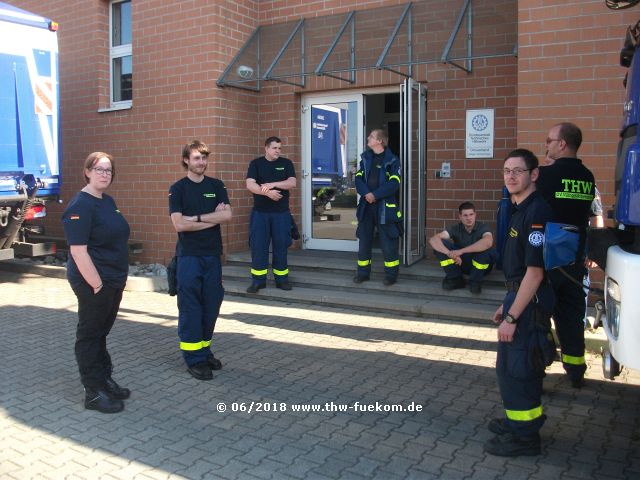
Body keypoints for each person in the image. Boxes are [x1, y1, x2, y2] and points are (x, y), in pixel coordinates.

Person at [484, 149, 554, 457]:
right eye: (506, 171)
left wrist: (512, 317)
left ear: (533, 175)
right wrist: (507, 303)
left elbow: (535, 273)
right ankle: (518, 423)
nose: (511, 176)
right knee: (510, 368)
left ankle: (525, 438)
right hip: (518, 294)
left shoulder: (536, 212)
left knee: (519, 369)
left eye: (518, 171)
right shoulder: (519, 209)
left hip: (530, 300)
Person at [62, 152, 131, 414]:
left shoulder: (107, 200)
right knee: (90, 334)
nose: (105, 174)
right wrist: (97, 285)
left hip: (112, 278)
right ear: (88, 171)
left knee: (101, 332)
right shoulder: (80, 205)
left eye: (109, 170)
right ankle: (92, 392)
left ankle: (104, 380)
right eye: (100, 169)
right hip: (94, 281)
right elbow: (78, 251)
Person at [537, 122, 596, 388]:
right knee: (571, 317)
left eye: (550, 140)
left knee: (538, 313)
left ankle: (540, 361)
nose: (546, 145)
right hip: (575, 259)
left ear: (562, 144)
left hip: (548, 259)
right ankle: (575, 370)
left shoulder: (545, 176)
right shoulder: (587, 176)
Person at [169, 140, 232, 381]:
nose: (201, 162)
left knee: (211, 303)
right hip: (189, 258)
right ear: (186, 160)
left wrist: (195, 218)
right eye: (196, 158)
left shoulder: (216, 185)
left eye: (204, 158)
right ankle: (193, 359)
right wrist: (212, 218)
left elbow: (227, 215)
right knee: (191, 306)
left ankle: (204, 350)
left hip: (212, 255)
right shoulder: (178, 189)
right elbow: (178, 224)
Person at [245, 136, 296, 293]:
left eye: (279, 148)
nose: (278, 151)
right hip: (260, 213)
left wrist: (272, 185)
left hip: (281, 214)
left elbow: (292, 182)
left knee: (281, 246)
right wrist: (267, 193)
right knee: (258, 246)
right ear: (266, 148)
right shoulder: (256, 164)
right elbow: (250, 184)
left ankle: (281, 279)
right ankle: (258, 281)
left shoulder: (286, 164)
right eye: (275, 148)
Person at [353, 129, 402, 286]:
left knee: (388, 243)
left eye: (372, 136)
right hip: (367, 207)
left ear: (380, 141)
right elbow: (358, 179)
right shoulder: (366, 159)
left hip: (384, 208)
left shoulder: (392, 160)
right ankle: (363, 274)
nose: (368, 138)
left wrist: (375, 195)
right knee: (364, 242)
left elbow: (394, 183)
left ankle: (391, 276)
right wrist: (367, 193)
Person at [429, 201, 497, 294]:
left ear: (475, 215)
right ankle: (455, 279)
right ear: (460, 216)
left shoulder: (483, 227)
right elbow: (433, 239)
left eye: (471, 214)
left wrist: (460, 251)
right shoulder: (455, 228)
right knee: (440, 246)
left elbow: (488, 242)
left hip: (480, 268)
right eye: (465, 215)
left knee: (488, 251)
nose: (469, 218)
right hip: (461, 264)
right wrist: (449, 253)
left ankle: (475, 282)